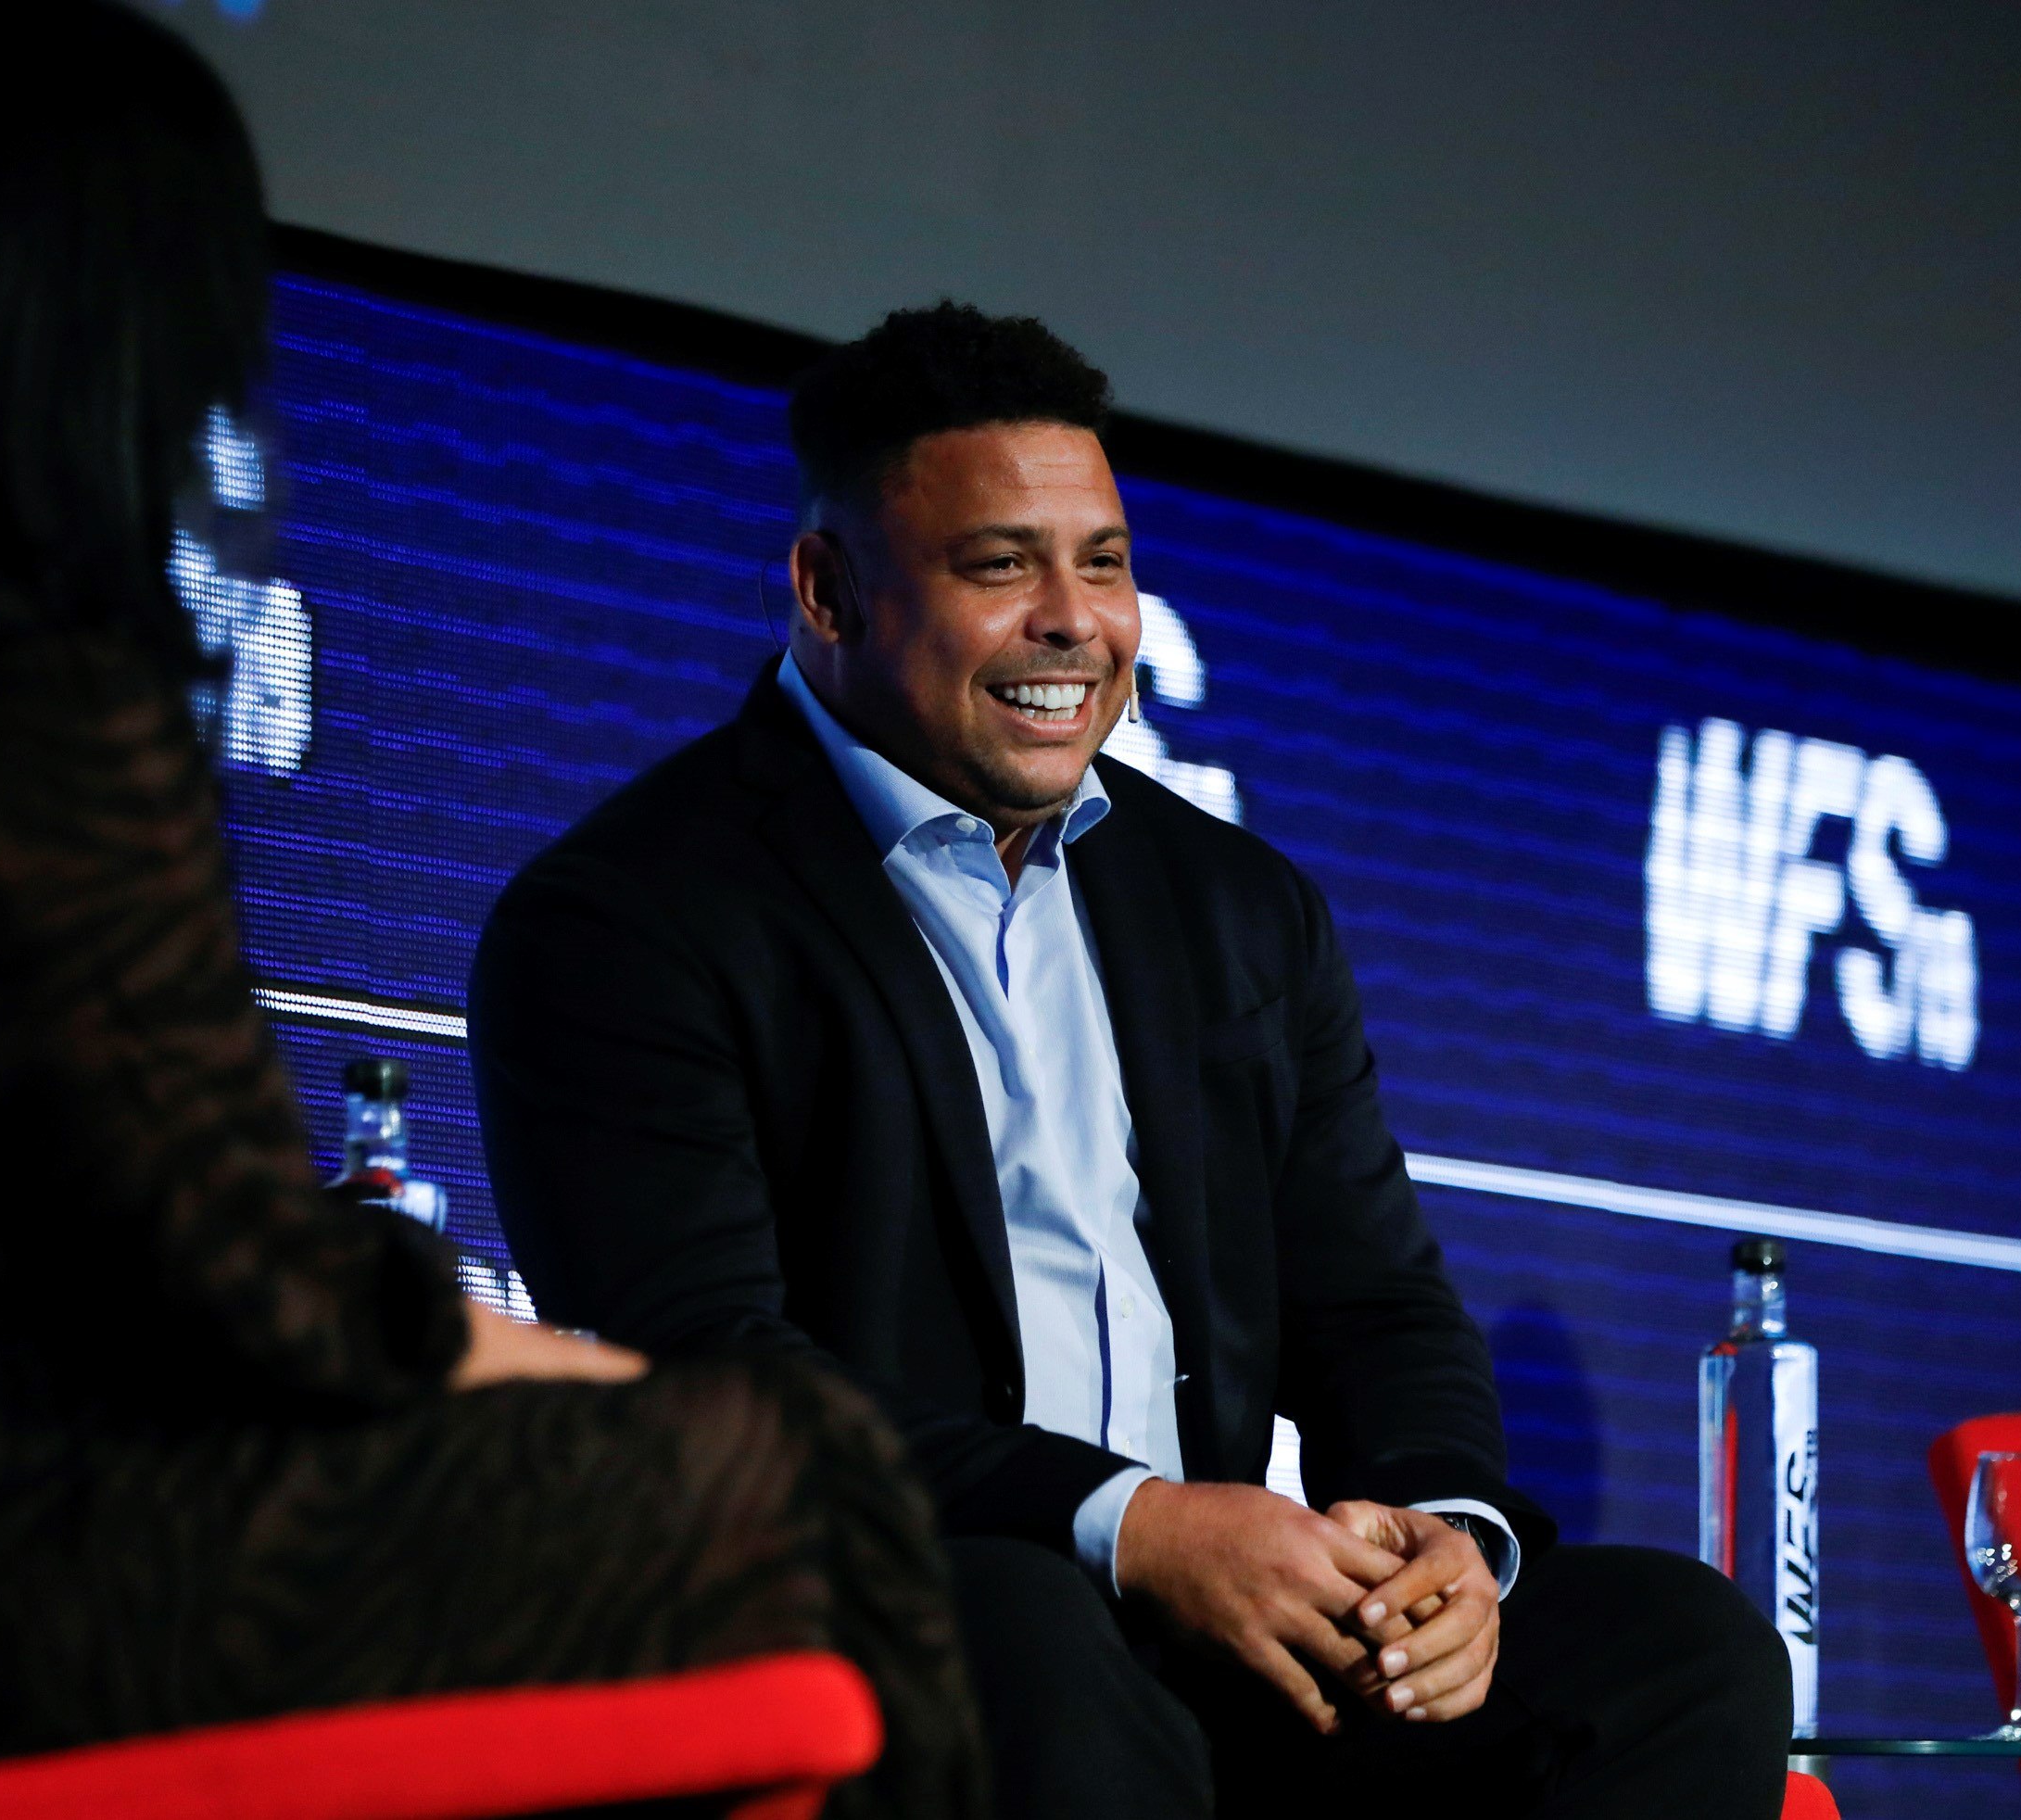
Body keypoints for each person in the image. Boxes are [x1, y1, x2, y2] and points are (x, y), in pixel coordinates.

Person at [0, 8, 982, 1815]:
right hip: (1, 1597)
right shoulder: (21, 680)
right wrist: (545, 1361)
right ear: (129, 318)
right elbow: (242, 1282)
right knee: (812, 1466)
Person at [471, 302, 1792, 1817]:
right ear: (829, 591)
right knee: (1022, 1625)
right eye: (999, 566)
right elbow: (711, 1378)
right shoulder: (629, 917)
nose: (1075, 623)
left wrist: (1444, 1541)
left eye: (1102, 563)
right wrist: (1133, 1526)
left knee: (1677, 1650)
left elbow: (1376, 1303)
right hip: (895, 1615)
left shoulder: (1236, 907)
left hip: (1230, 1642)